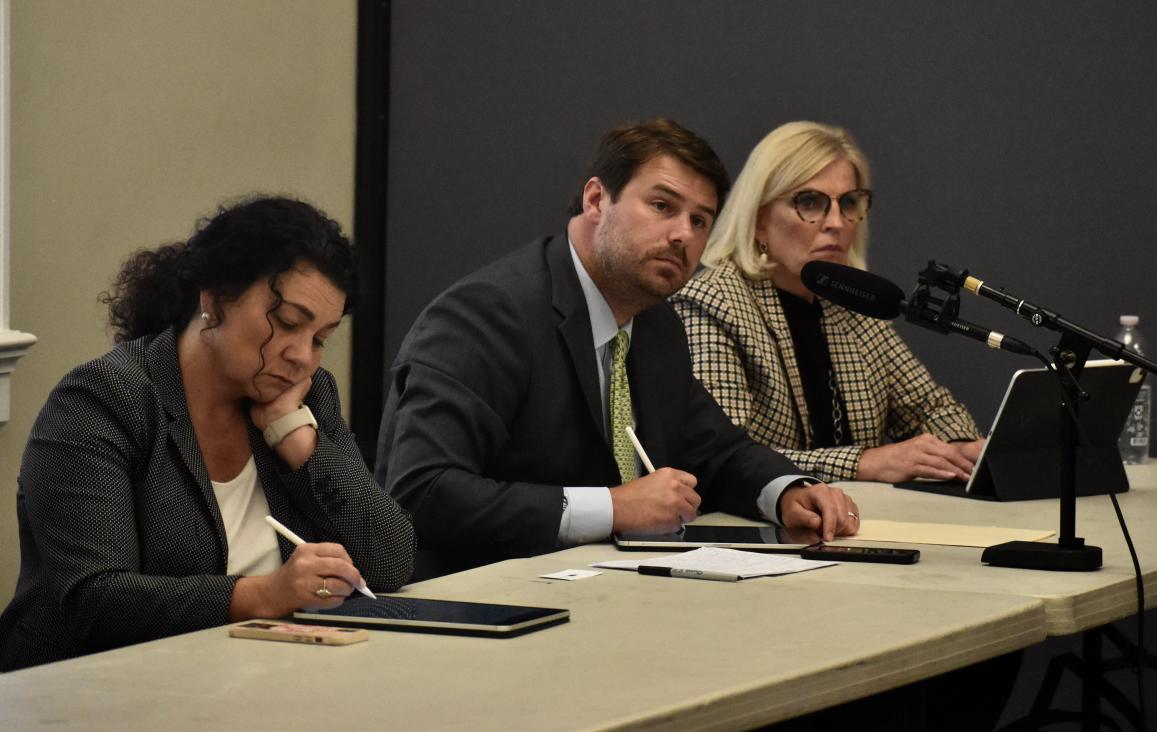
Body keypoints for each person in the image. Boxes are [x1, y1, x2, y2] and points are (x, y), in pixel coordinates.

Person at [374, 118, 859, 579]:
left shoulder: (654, 323)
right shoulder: (489, 313)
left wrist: (789, 490)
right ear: (596, 200)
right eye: (662, 206)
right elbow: (422, 492)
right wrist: (613, 506)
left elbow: (717, 449)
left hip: (601, 595)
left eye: (699, 220)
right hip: (482, 602)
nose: (682, 235)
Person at [0, 196, 415, 671]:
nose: (303, 355)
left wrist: (299, 443)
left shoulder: (304, 397)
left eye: (320, 338)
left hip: (257, 682)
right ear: (214, 301)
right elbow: (96, 600)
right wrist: (265, 594)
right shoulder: (104, 399)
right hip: (99, 691)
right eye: (287, 324)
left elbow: (389, 561)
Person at [671, 121, 985, 484]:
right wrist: (862, 463)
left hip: (857, 524)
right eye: (810, 202)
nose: (836, 222)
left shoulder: (853, 304)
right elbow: (726, 457)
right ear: (758, 220)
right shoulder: (713, 303)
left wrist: (960, 447)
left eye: (848, 203)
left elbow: (929, 407)